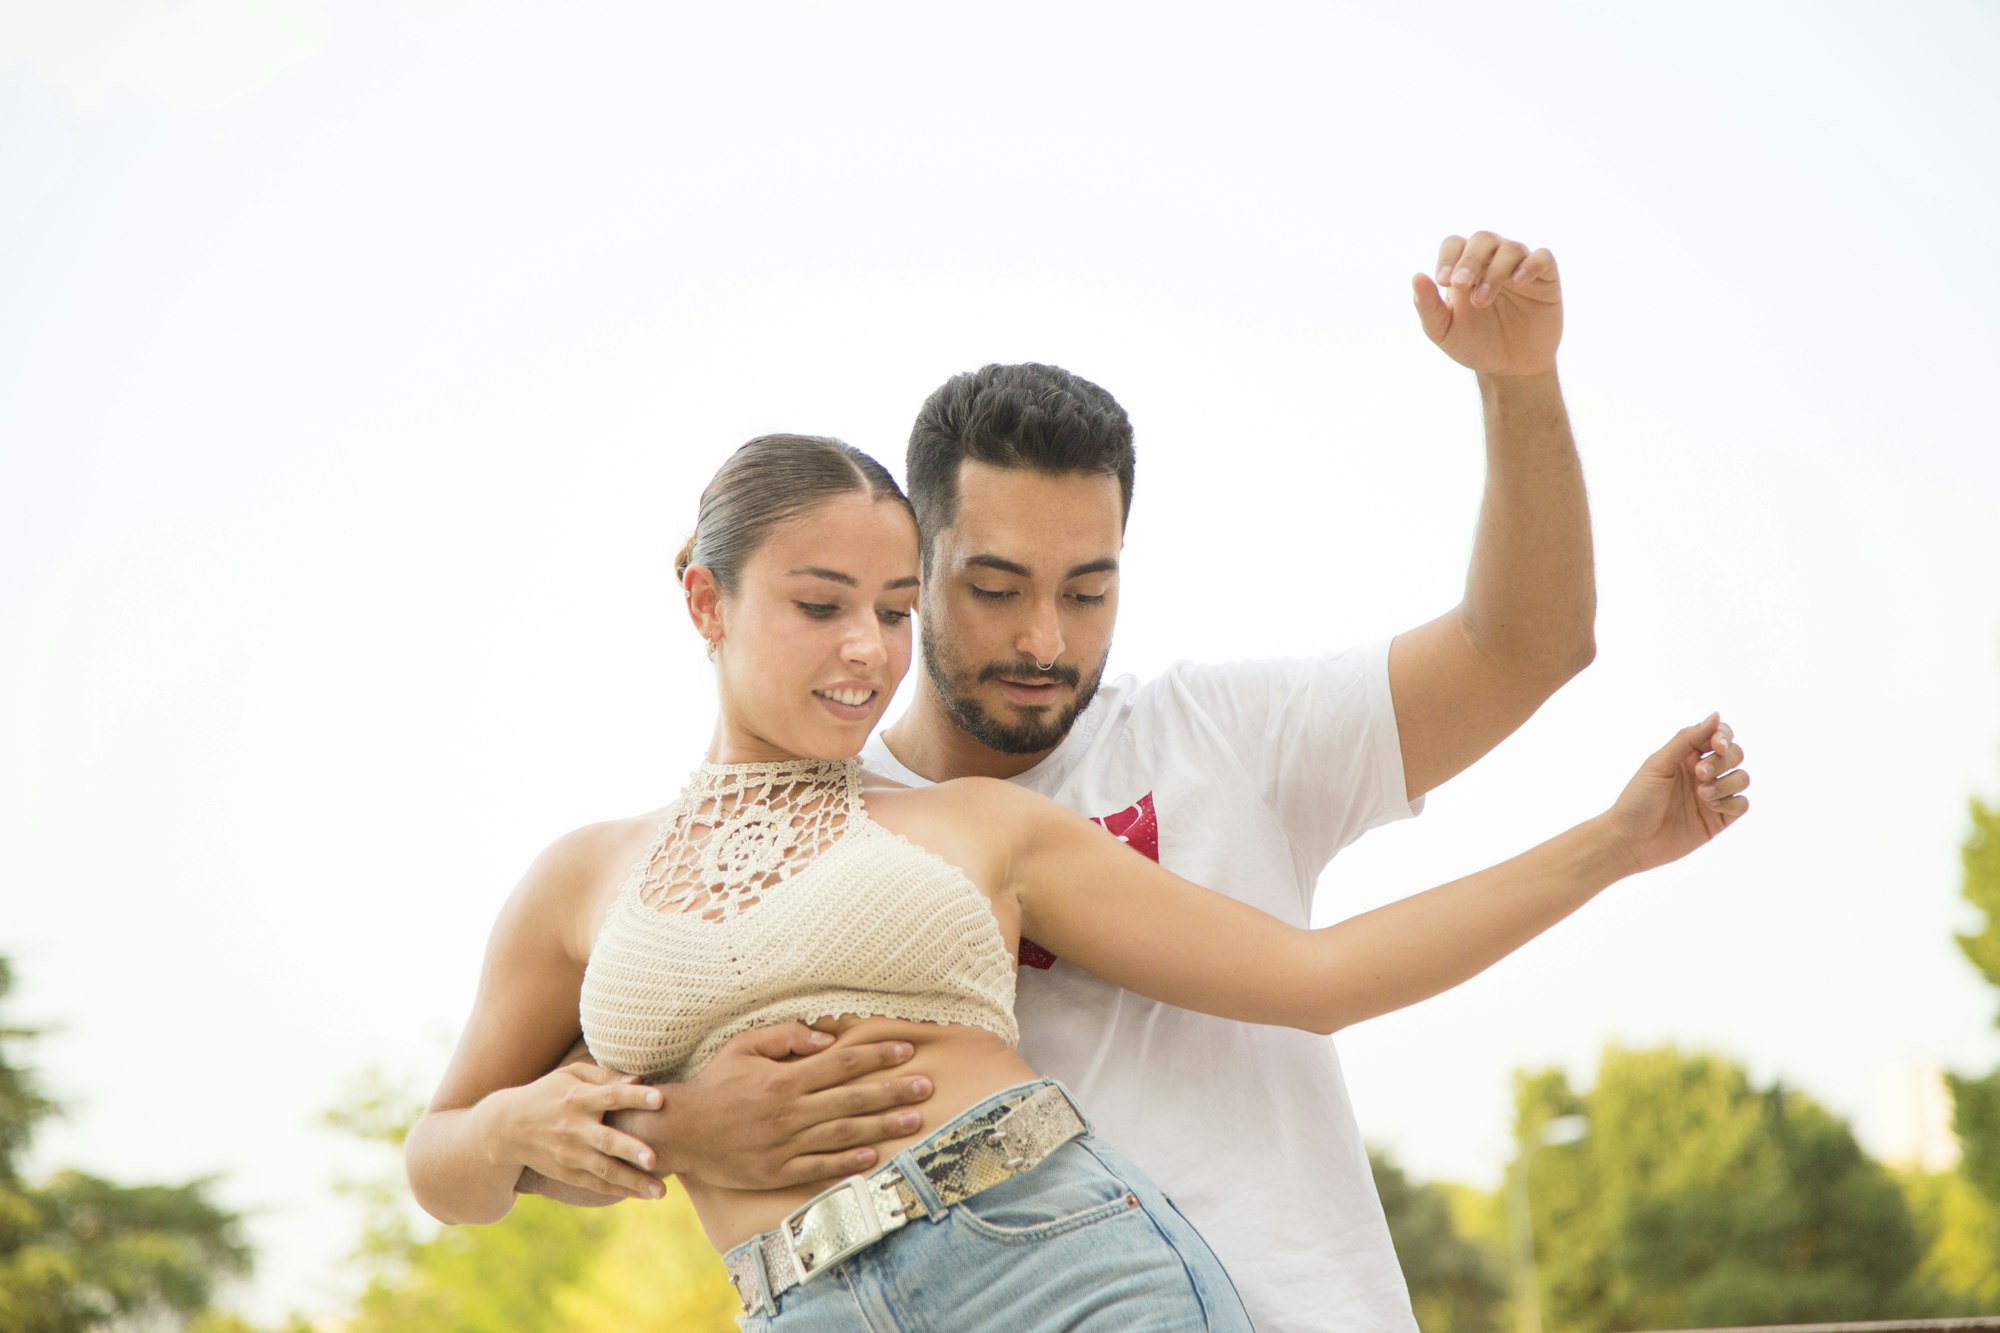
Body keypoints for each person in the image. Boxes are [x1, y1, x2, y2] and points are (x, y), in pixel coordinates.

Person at [404, 426, 1750, 1329]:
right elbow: (442, 1160)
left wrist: (1612, 844)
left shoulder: (987, 827)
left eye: (892, 607)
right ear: (706, 601)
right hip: (797, 1301)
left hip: (1052, 1264)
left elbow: (1315, 979)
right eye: (820, 605)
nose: (866, 649)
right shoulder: (580, 878)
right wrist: (562, 1131)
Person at [523, 230, 1620, 1330]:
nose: (1043, 639)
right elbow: (574, 1097)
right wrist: (676, 1123)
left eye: (1087, 591)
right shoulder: (815, 837)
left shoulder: (1224, 732)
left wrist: (1515, 384)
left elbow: (1524, 646)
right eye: (994, 588)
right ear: (917, 563)